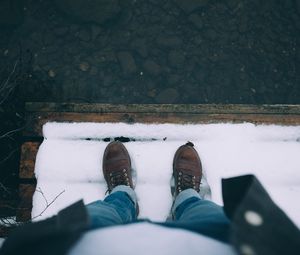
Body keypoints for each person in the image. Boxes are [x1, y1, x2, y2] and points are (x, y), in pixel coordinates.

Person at [1, 142, 299, 255]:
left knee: (104, 214)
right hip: (222, 243)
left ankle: (123, 196)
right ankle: (186, 196)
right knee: (203, 212)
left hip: (89, 245)